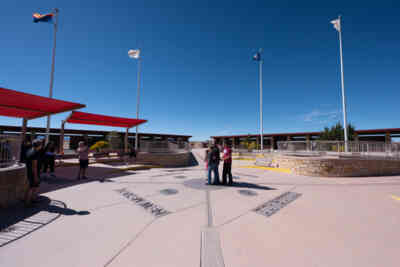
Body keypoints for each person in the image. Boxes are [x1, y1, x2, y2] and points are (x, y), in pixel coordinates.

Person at [24, 139, 42, 207]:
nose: (41, 146)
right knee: (31, 187)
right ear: (39, 145)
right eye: (41, 144)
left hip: (29, 171)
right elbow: (34, 166)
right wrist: (36, 176)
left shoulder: (30, 150)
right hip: (33, 172)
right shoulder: (35, 153)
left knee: (34, 186)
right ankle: (27, 202)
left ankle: (33, 198)